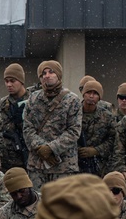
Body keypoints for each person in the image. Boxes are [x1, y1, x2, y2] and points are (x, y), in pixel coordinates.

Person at [22, 60, 82, 191]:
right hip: (37, 165)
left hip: (63, 166)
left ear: (59, 75)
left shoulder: (72, 100)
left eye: (51, 72)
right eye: (44, 73)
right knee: (37, 206)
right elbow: (27, 128)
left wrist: (51, 148)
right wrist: (40, 147)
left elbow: (74, 131)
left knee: (62, 207)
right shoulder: (33, 99)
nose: (47, 75)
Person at [0, 63, 30, 171]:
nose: (9, 84)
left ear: (21, 81)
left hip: (28, 159)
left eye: (13, 81)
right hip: (6, 162)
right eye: (6, 81)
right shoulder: (0, 104)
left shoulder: (34, 101)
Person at [78, 79, 117, 177]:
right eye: (88, 92)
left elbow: (114, 139)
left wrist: (96, 150)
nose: (91, 96)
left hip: (98, 166)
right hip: (74, 164)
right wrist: (77, 149)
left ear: (99, 97)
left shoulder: (107, 117)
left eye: (95, 93)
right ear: (83, 94)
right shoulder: (73, 113)